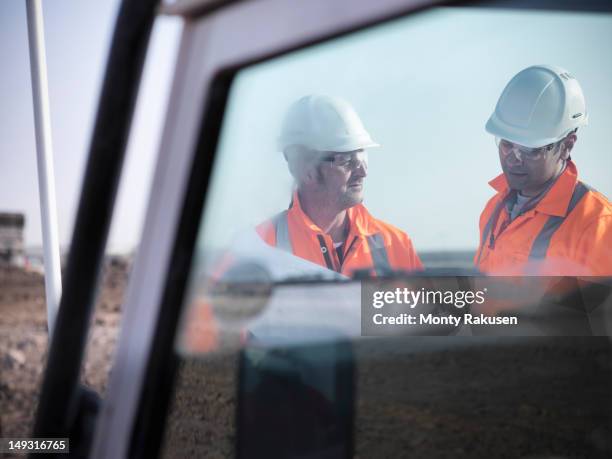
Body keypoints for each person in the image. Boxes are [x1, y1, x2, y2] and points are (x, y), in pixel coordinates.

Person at [256, 94, 423, 276]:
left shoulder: (396, 245)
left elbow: (423, 305)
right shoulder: (258, 249)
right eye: (346, 160)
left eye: (362, 155)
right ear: (305, 169)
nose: (362, 172)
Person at [475, 65, 612, 276]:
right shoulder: (493, 210)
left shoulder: (596, 226)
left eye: (530, 149)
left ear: (567, 145)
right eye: (507, 144)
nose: (513, 158)